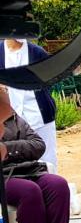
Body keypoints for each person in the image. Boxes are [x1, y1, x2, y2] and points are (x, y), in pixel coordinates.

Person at [0, 87, 75, 223]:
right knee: (29, 191)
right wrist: (21, 149)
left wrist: (8, 150)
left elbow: (39, 145)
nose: (6, 96)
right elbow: (29, 146)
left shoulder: (16, 119)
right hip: (4, 176)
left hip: (30, 170)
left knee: (58, 185)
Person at [0, 39, 58, 172]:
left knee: (48, 160)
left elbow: (55, 71)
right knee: (14, 160)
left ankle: (50, 186)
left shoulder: (36, 52)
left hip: (39, 116)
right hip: (11, 120)